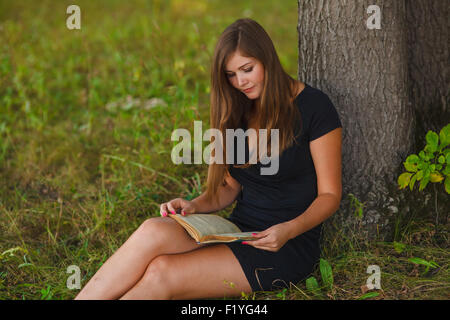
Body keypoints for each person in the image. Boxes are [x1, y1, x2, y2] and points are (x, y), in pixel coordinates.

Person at [75, 18, 342, 300]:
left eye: (247, 69)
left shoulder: (314, 107)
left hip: (285, 245)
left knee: (161, 272)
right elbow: (230, 186)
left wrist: (289, 230)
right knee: (153, 229)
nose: (240, 82)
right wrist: (195, 205)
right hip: (237, 230)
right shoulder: (240, 107)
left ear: (268, 59)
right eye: (231, 74)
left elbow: (329, 195)